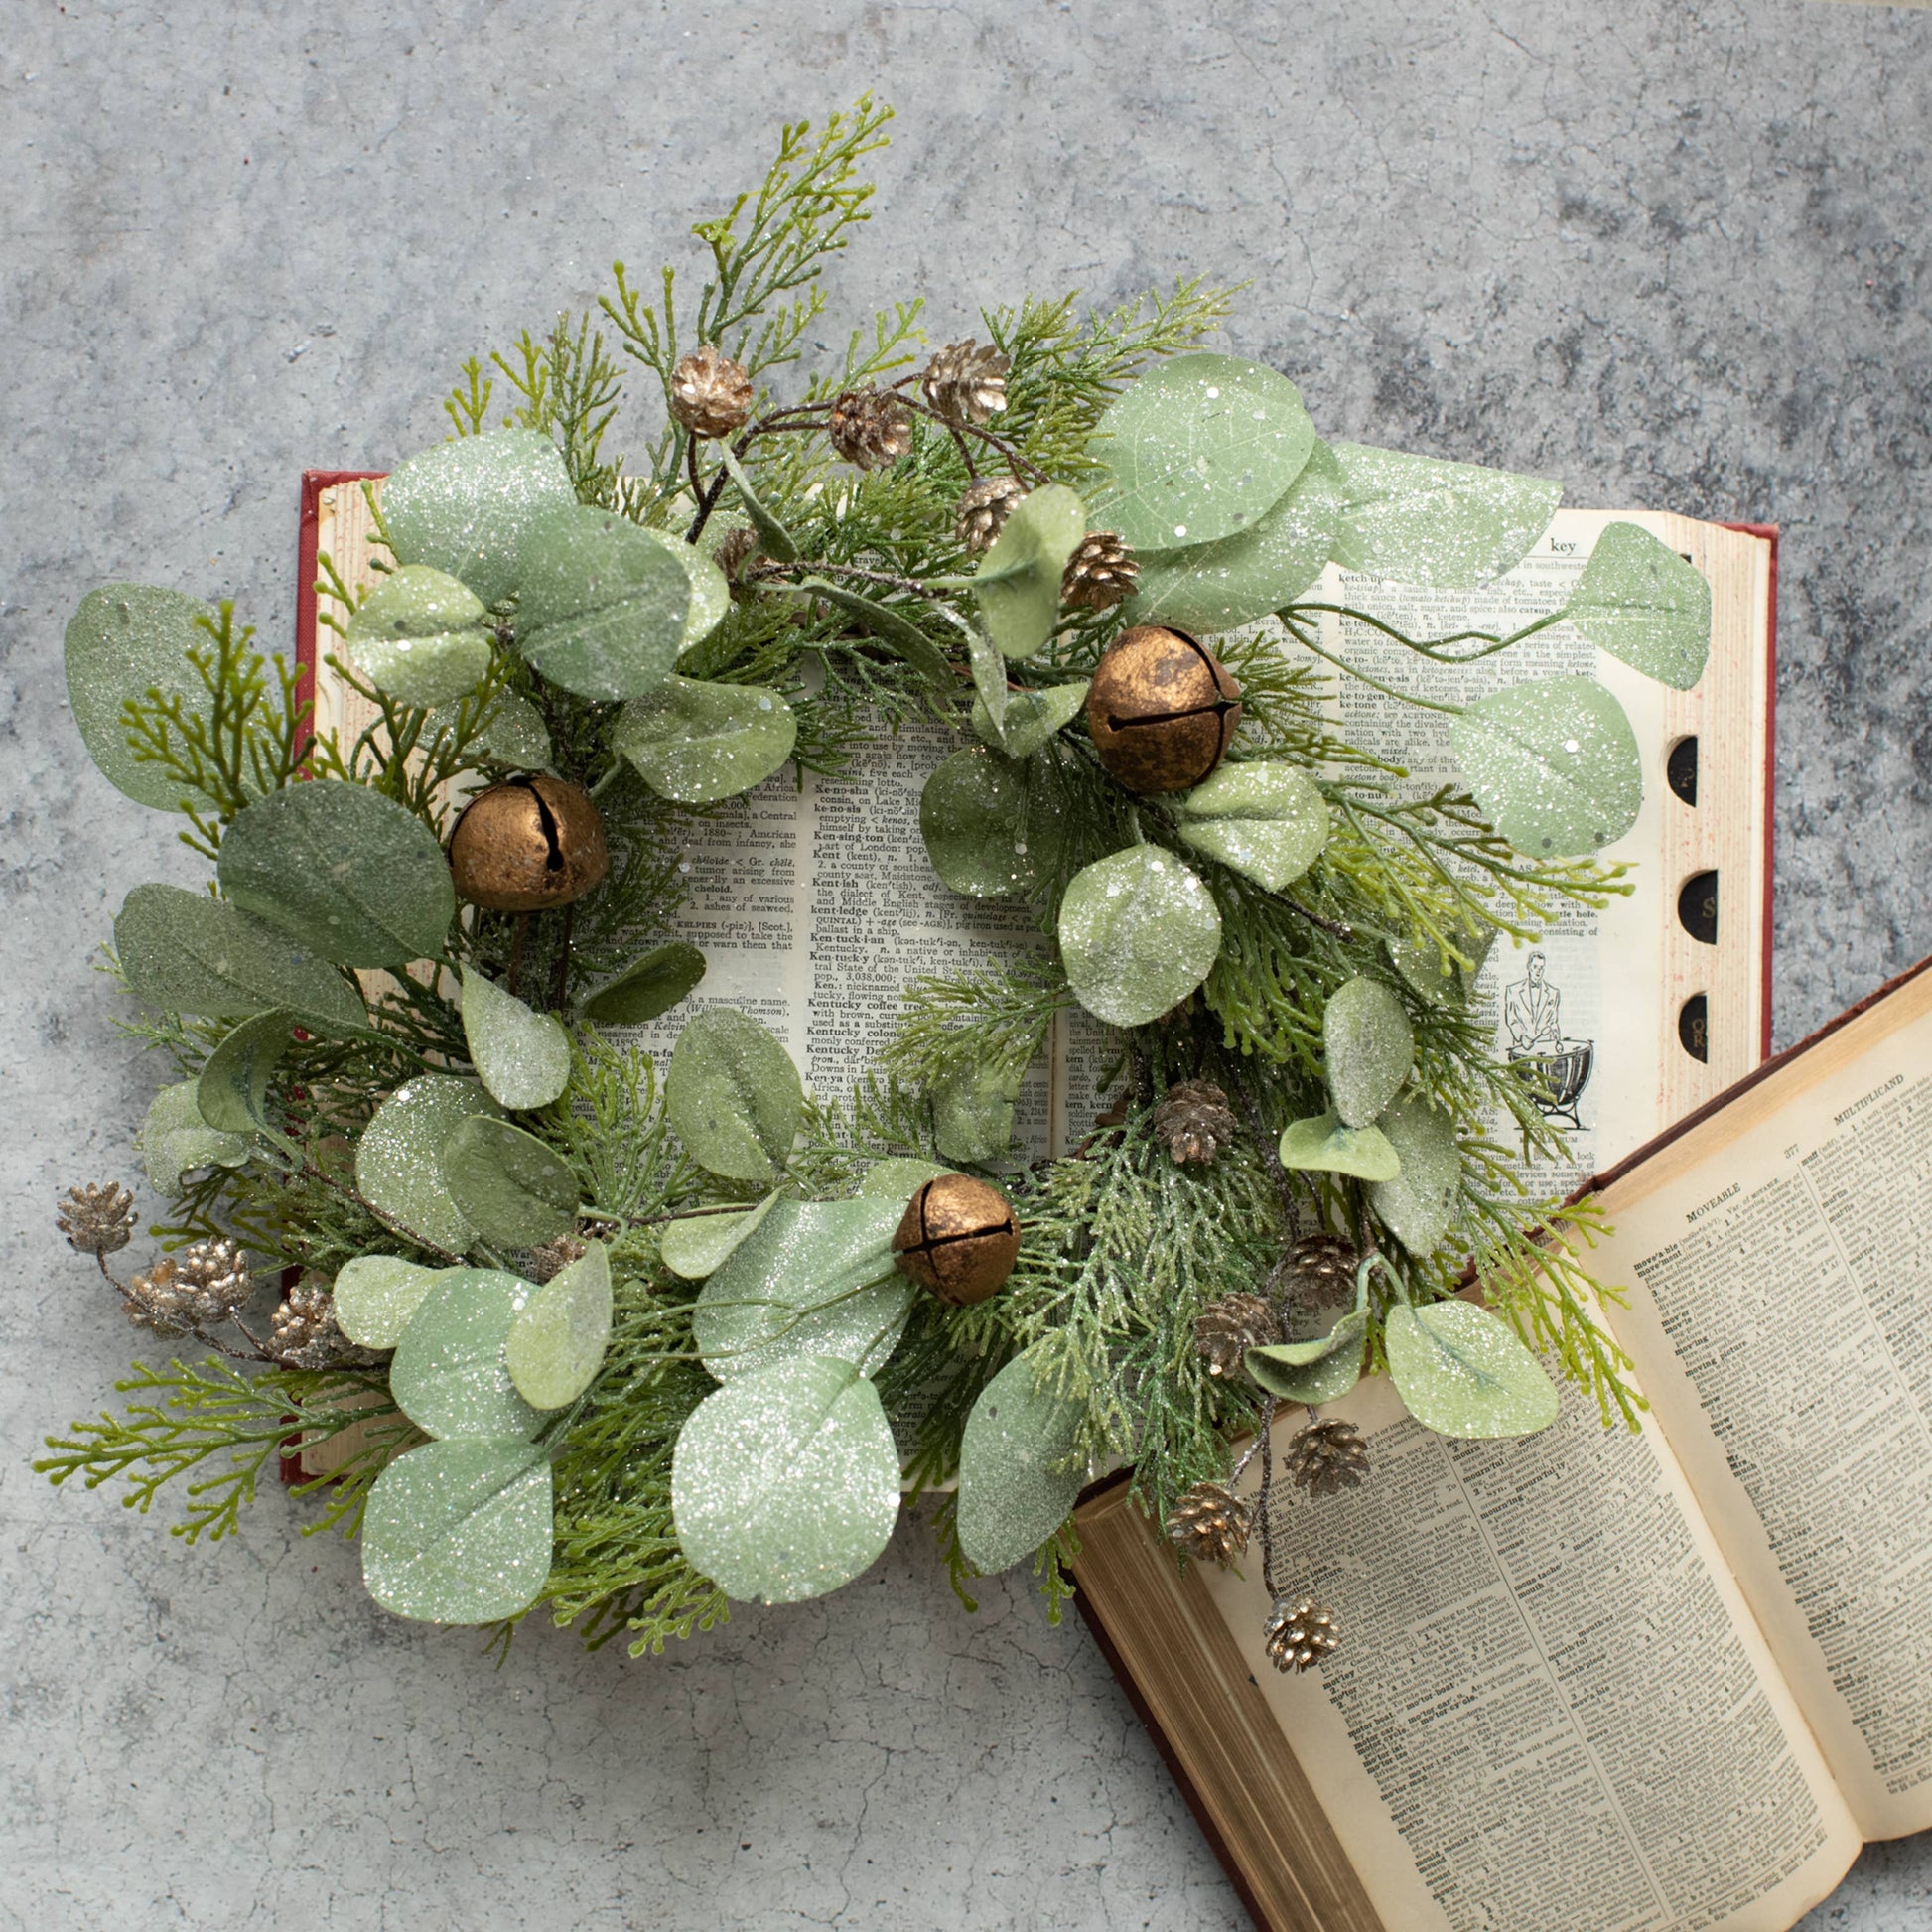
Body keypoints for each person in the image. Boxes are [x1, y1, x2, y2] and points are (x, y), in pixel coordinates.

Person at [1504, 952, 1562, 1057]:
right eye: (1535, 967)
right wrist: (1522, 1037)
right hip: (1522, 1049)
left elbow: (1553, 1021)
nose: (1538, 971)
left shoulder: (1553, 993)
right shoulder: (1513, 990)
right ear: (1528, 967)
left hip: (1545, 1050)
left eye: (1541, 968)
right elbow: (1511, 1019)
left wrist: (1557, 1039)